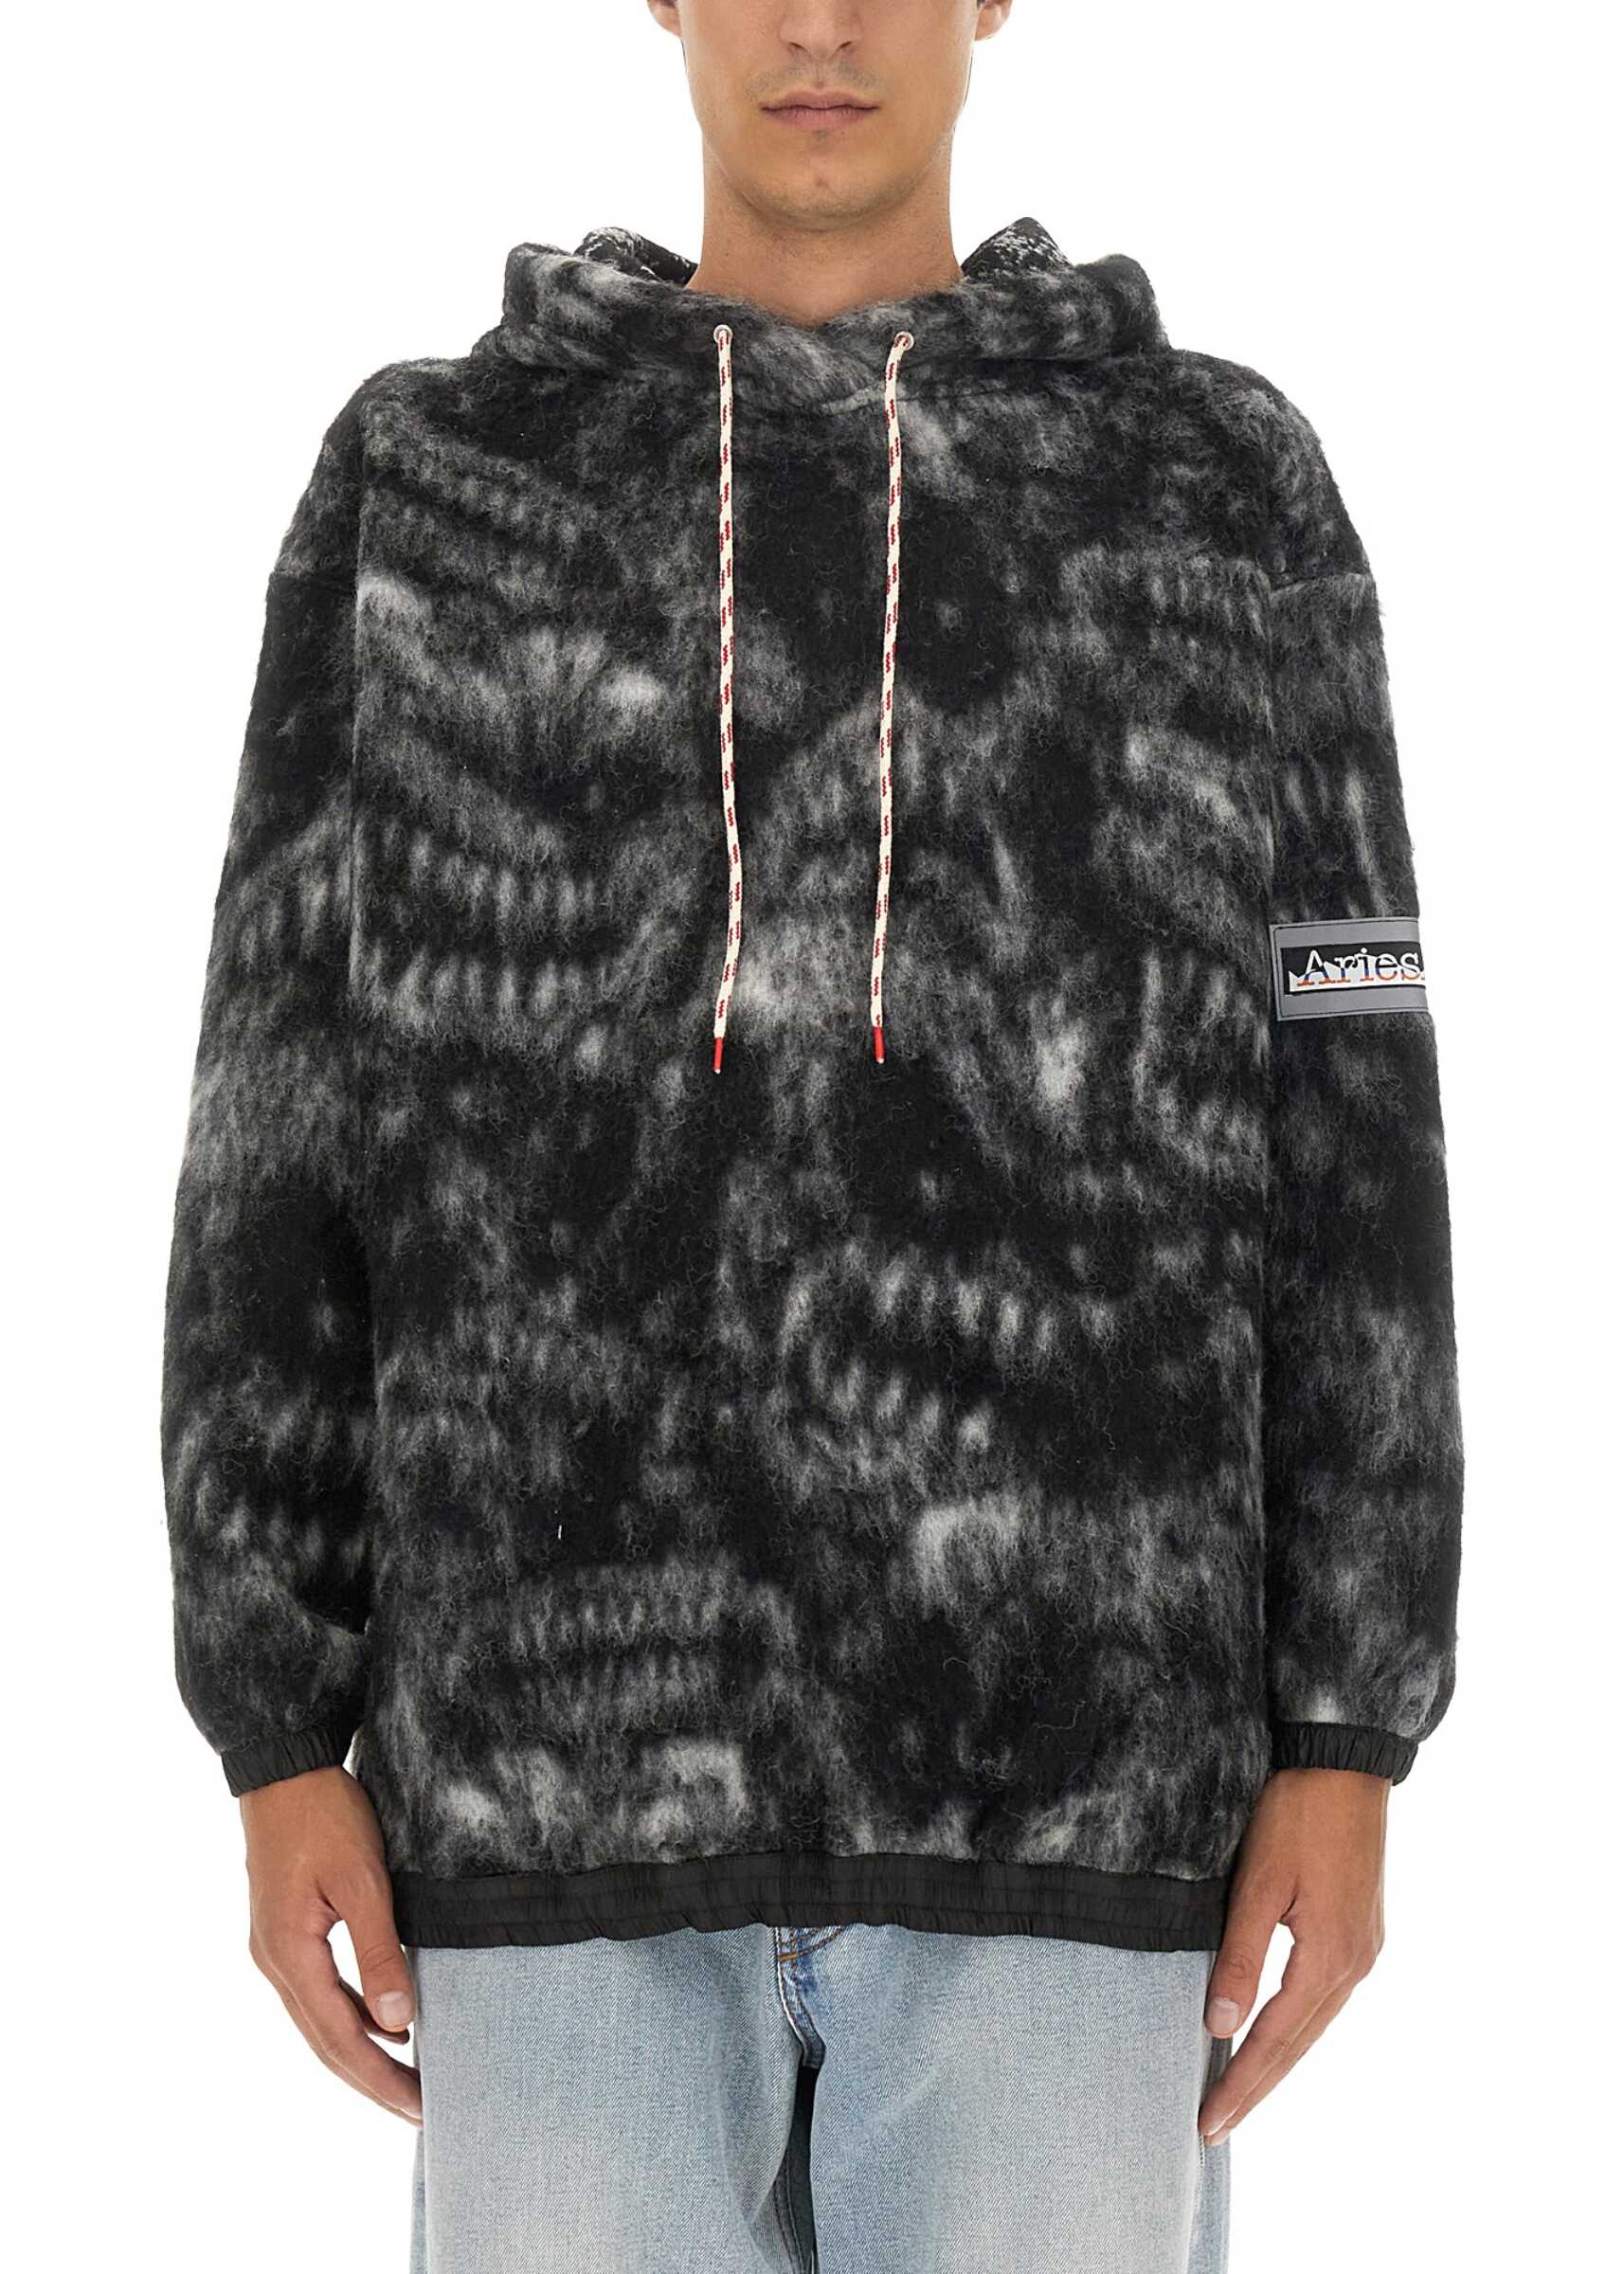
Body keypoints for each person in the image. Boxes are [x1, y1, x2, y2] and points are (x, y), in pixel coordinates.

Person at [160, 3, 1464, 2267]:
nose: (821, 22)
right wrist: (274, 1725)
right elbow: (280, 1108)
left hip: (1073, 1791)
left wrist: (1351, 1731)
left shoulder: (1208, 478)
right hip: (544, 1792)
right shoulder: (432, 479)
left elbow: (1349, 1116)